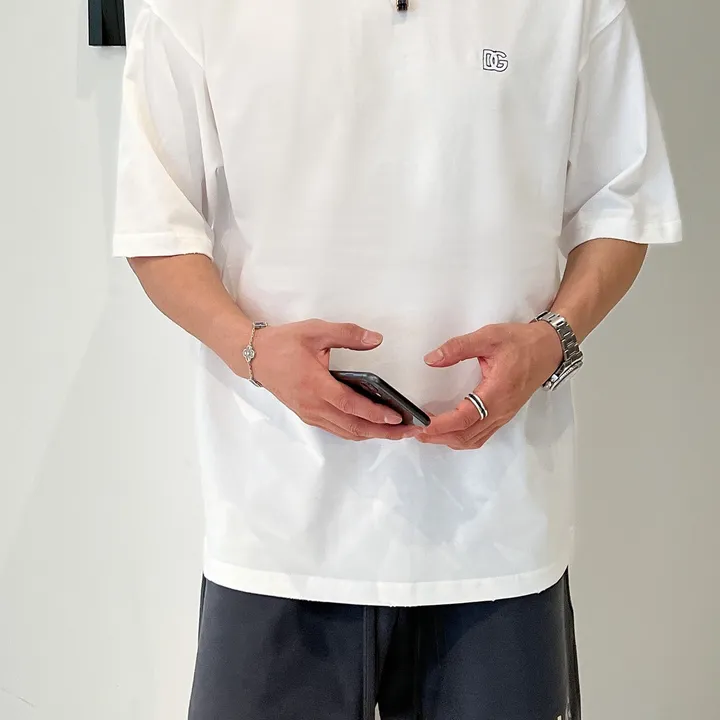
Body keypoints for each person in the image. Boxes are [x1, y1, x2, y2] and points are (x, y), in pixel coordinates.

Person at [113, 0, 681, 718]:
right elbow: (157, 226)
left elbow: (621, 205)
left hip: (498, 531)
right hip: (277, 523)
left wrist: (551, 340)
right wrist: (254, 351)